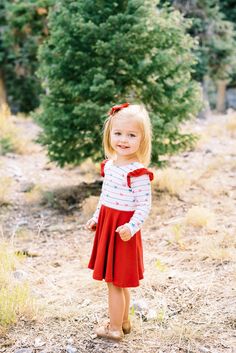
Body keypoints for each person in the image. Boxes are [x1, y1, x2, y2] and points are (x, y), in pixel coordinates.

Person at [86, 103, 154, 341]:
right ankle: (123, 322)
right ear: (109, 134)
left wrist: (131, 227)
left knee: (115, 282)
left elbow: (144, 206)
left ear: (142, 139)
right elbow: (105, 197)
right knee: (118, 282)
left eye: (131, 135)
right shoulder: (111, 165)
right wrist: (96, 218)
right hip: (108, 224)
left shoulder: (137, 173)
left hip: (122, 230)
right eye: (118, 133)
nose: (123, 139)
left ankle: (113, 328)